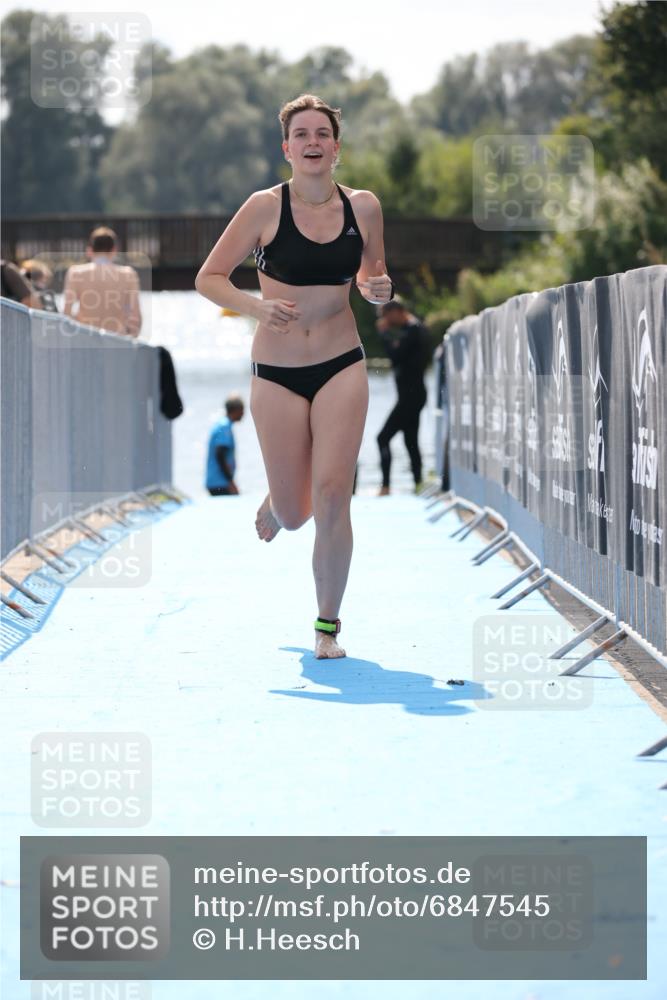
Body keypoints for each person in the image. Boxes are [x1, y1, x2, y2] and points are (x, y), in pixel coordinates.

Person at [195, 93, 394, 659]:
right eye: (301, 134)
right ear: (287, 148)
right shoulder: (263, 207)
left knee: (334, 496)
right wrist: (255, 307)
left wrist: (378, 288)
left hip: (341, 364)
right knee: (296, 510)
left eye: (321, 134)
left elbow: (371, 276)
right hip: (278, 371)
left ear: (336, 147)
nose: (312, 142)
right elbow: (208, 277)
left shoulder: (365, 208)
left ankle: (327, 627)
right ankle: (278, 505)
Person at [375, 297, 431, 495]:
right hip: (412, 395)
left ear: (398, 311)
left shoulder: (413, 330)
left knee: (382, 438)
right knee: (411, 441)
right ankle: (418, 483)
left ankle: (386, 486)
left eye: (387, 316)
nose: (386, 321)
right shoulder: (413, 329)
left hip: (411, 397)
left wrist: (384, 335)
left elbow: (395, 356)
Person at [62, 227, 142, 337]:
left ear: (90, 250)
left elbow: (67, 313)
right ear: (114, 250)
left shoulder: (76, 273)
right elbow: (135, 317)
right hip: (117, 340)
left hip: (86, 339)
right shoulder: (129, 274)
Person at [205, 395, 244, 496]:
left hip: (217, 481)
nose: (243, 413)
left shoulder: (223, 424)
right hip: (220, 482)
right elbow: (220, 455)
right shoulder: (224, 427)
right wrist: (230, 481)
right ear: (235, 410)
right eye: (242, 410)